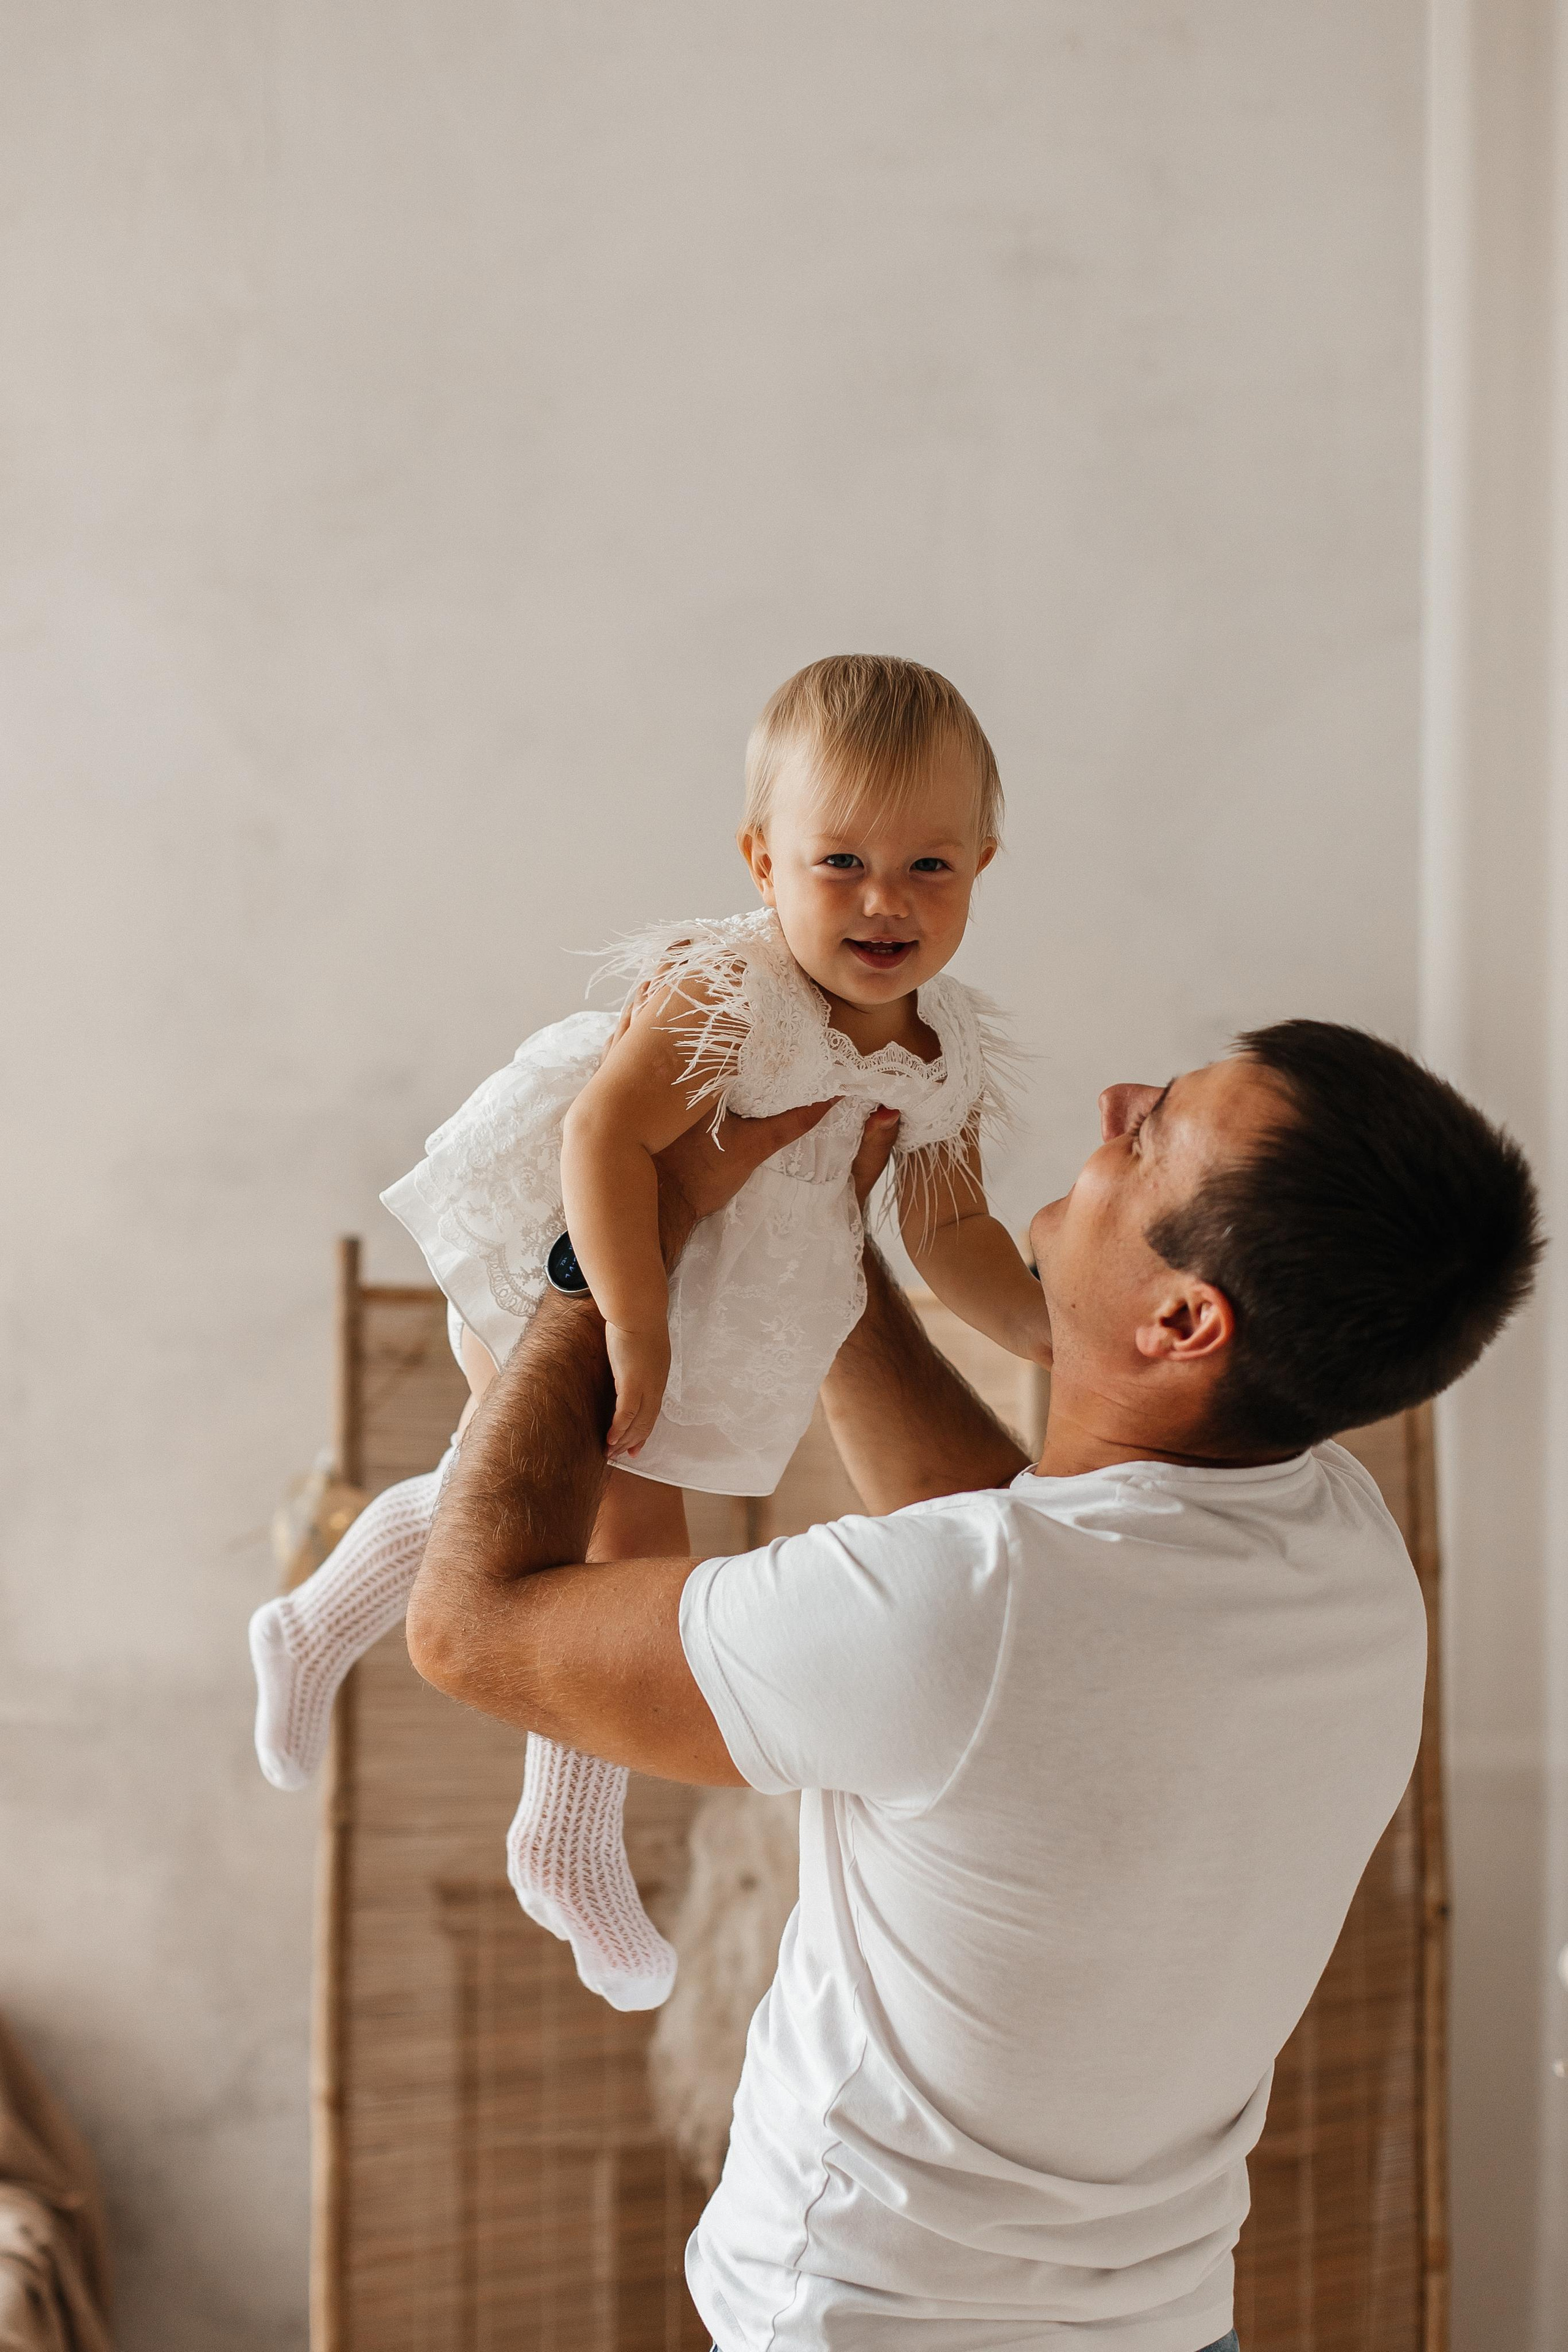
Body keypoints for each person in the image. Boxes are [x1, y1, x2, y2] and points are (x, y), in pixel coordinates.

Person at [404, 1019, 1539, 2352]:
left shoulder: (971, 1613)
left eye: (1145, 1132)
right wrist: (818, 1242)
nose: (1110, 1097)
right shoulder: (1338, 1550)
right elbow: (1015, 1570)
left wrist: (596, 1263)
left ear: (1182, 1319)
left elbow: (470, 1629)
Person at [248, 654, 1049, 2010]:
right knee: (625, 1555)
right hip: (590, 1258)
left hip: (722, 1302)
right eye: (838, 860)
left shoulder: (939, 1051)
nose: (881, 900)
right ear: (760, 859)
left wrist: (1046, 1332)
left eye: (928, 867)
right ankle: (561, 1842)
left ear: (982, 861)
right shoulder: (730, 990)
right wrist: (629, 1314)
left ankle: (316, 1627)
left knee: (518, 1521)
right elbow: (603, 1134)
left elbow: (947, 1230)